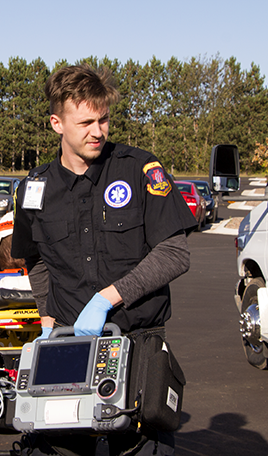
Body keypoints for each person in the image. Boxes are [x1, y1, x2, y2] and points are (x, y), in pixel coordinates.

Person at [11, 64, 198, 456]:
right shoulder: (33, 188)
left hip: (137, 345)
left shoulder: (139, 170)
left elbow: (175, 253)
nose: (98, 131)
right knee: (58, 448)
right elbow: (36, 261)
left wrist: (107, 298)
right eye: (85, 122)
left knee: (143, 449)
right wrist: (47, 322)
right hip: (69, 350)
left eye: (104, 119)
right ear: (56, 123)